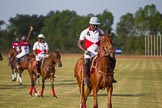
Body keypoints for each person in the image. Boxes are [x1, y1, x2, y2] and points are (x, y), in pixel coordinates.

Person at [77, 16, 105, 85]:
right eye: (94, 25)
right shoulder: (84, 32)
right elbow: (79, 43)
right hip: (89, 51)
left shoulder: (101, 32)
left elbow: (104, 42)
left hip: (99, 52)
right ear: (90, 24)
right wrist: (84, 50)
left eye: (97, 25)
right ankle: (86, 78)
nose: (96, 26)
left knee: (109, 60)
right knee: (86, 62)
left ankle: (110, 76)